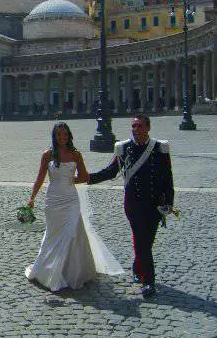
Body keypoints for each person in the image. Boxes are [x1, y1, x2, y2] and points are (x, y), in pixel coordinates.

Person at [25, 122, 123, 291]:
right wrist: (32, 198)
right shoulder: (47, 155)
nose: (62, 137)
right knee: (53, 236)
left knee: (72, 233)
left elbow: (84, 176)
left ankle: (72, 271)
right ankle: (51, 268)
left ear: (69, 136)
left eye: (65, 134)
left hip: (70, 200)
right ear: (54, 137)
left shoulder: (76, 155)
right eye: (58, 135)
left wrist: (70, 180)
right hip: (53, 201)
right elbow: (40, 178)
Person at [86, 114, 174, 299]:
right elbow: (111, 172)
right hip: (133, 203)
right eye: (133, 126)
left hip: (155, 203)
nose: (136, 129)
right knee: (142, 241)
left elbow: (167, 177)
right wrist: (88, 178)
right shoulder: (124, 148)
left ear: (148, 128)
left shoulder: (160, 148)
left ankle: (137, 266)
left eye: (139, 126)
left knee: (147, 241)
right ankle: (148, 281)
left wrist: (169, 202)